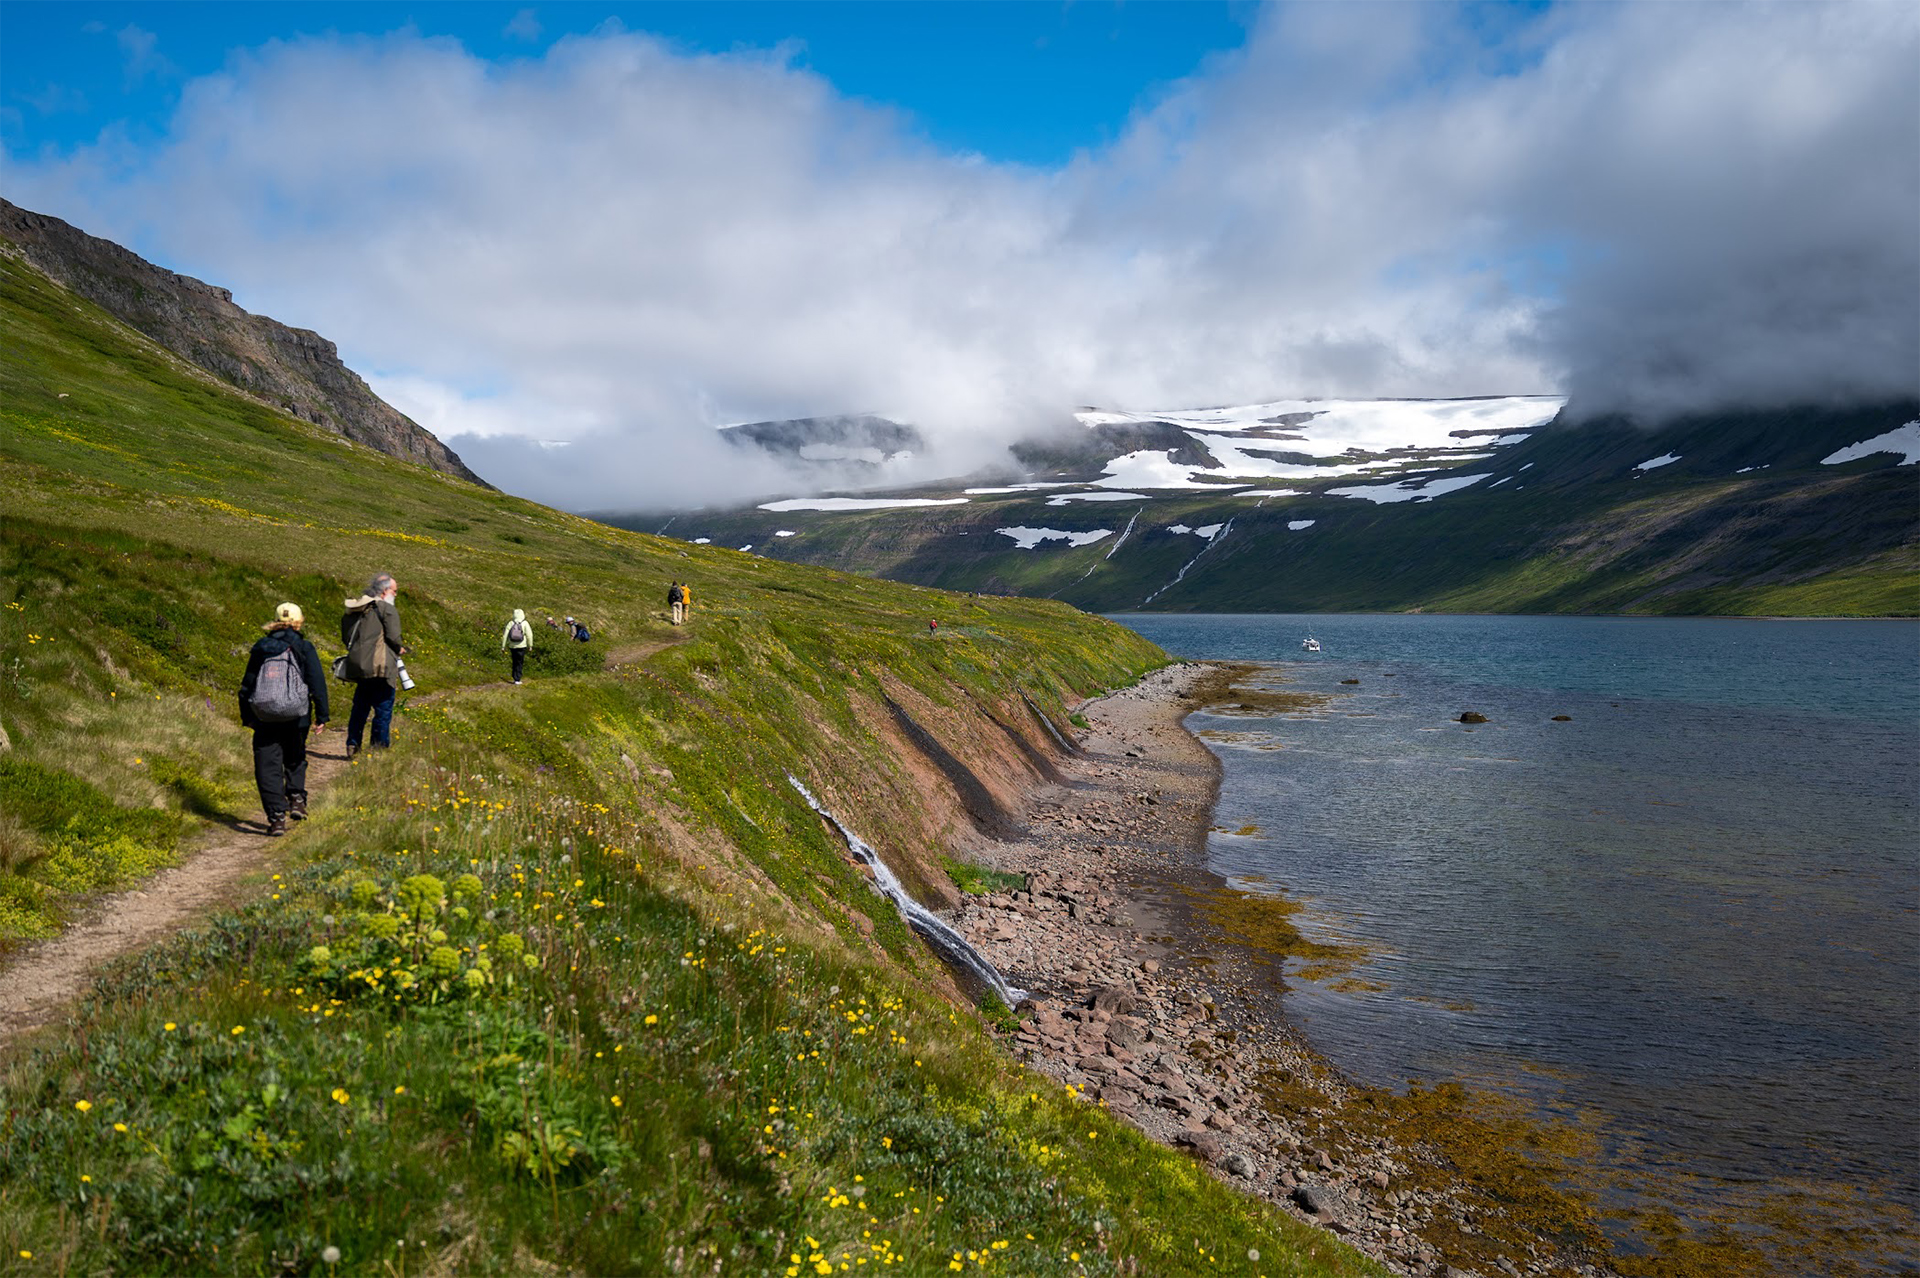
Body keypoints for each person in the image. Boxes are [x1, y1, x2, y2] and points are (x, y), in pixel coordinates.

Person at [238, 602, 329, 836]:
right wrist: (322, 715)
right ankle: (297, 799)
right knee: (295, 755)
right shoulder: (304, 647)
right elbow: (316, 682)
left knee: (267, 766)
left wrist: (247, 716)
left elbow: (247, 686)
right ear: (299, 622)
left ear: (275, 621)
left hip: (264, 717)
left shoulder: (261, 647)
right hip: (297, 715)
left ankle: (277, 817)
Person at [340, 572, 404, 757]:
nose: (396, 594)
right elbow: (393, 637)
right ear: (385, 591)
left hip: (359, 666)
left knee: (360, 708)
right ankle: (378, 749)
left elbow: (347, 637)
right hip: (381, 667)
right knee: (383, 710)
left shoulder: (356, 608)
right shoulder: (386, 609)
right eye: (395, 590)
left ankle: (353, 745)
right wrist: (400, 648)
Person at [501, 607, 533, 683]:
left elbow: (505, 635)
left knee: (514, 661)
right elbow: (529, 635)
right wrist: (530, 645)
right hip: (522, 646)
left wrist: (503, 646)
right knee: (520, 662)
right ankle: (517, 679)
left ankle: (514, 676)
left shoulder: (511, 623)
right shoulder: (525, 623)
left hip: (512, 646)